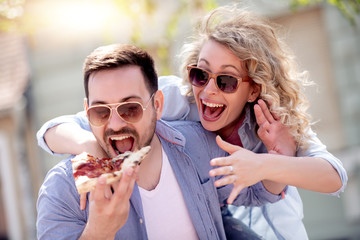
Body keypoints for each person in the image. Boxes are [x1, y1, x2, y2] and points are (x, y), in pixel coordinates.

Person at [37, 6, 348, 240]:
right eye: (201, 74)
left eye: (225, 80)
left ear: (254, 88)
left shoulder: (275, 120)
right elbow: (56, 128)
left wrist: (267, 162)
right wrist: (94, 150)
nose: (208, 90)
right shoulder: (178, 97)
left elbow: (333, 177)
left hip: (271, 228)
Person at [36, 43, 286, 239]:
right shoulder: (63, 189)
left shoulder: (199, 145)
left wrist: (277, 155)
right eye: (101, 112)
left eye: (130, 108)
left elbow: (256, 193)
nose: (114, 125)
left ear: (157, 104)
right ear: (86, 110)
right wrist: (99, 233)